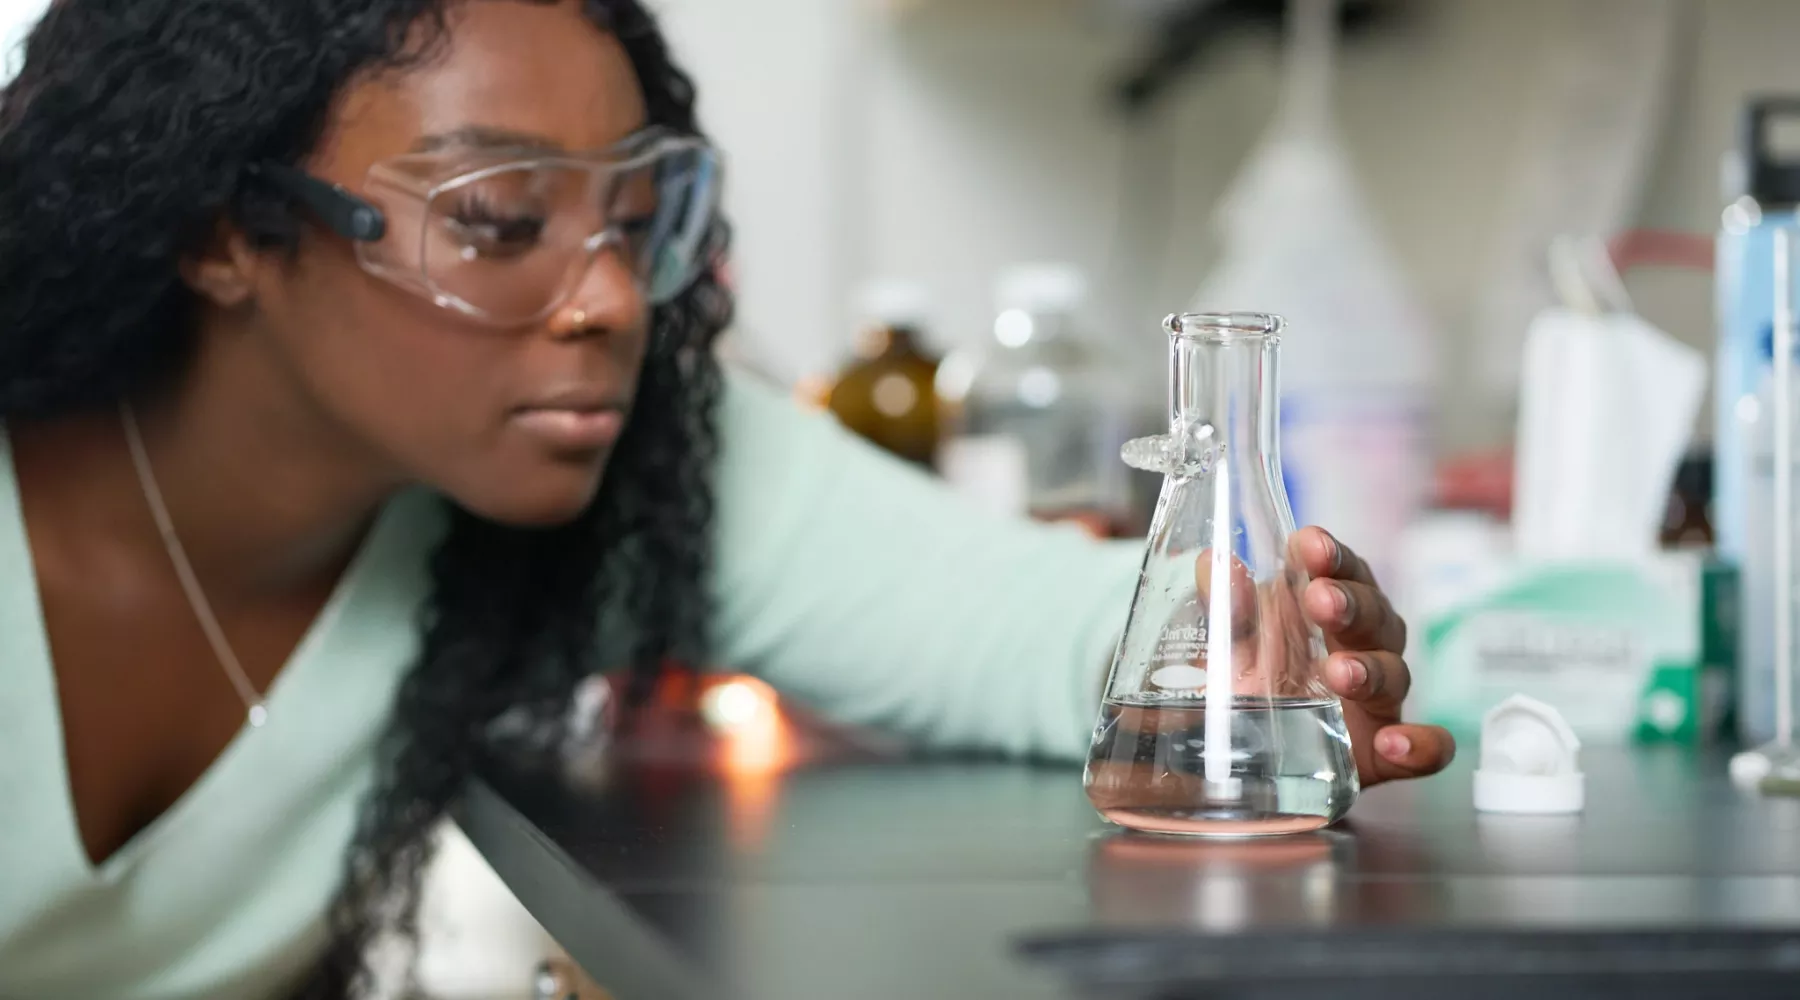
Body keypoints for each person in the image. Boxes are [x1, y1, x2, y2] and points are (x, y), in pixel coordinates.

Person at [0, 1, 1456, 997]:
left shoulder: (623, 480)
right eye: (500, 220)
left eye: (642, 222)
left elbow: (1034, 631)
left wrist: (1265, 636)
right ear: (222, 234)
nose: (612, 300)